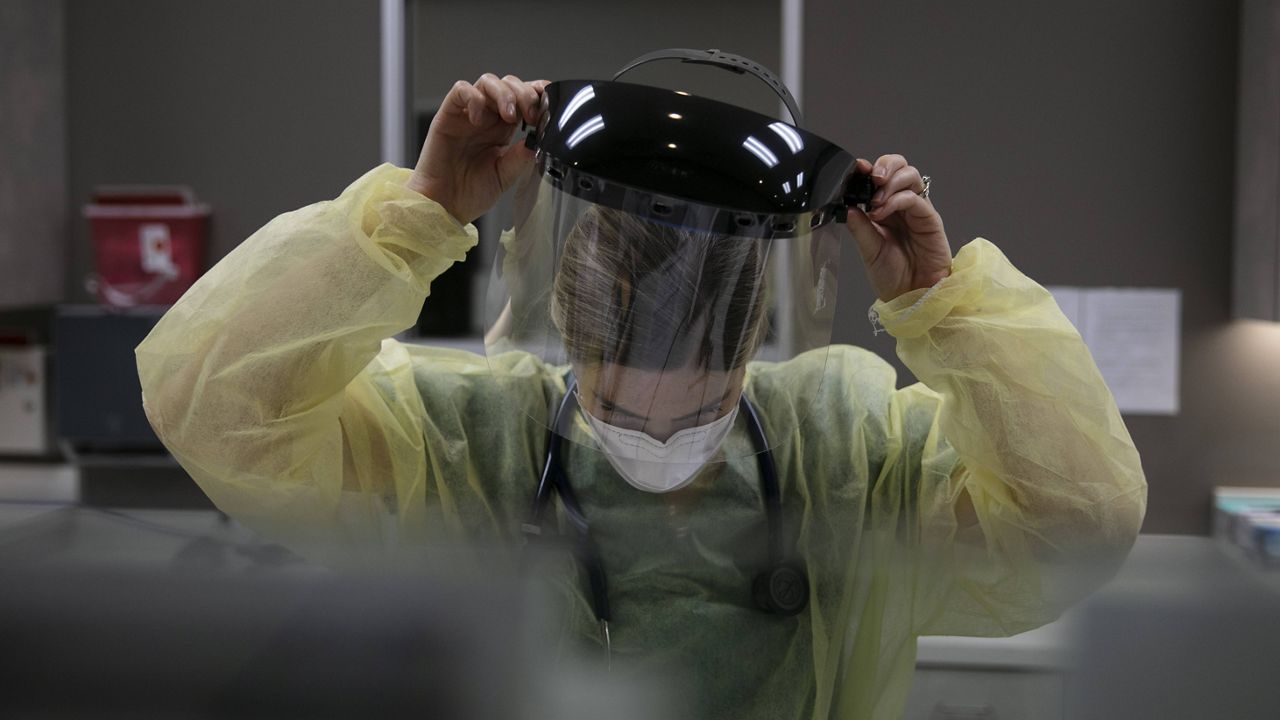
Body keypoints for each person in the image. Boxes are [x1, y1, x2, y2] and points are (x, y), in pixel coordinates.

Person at [136, 73, 1147, 719]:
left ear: (751, 349)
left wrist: (943, 305)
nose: (656, 428)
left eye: (694, 399)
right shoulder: (456, 449)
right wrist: (421, 211)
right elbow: (214, 402)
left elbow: (1077, 520)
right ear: (572, 337)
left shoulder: (852, 458)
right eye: (621, 400)